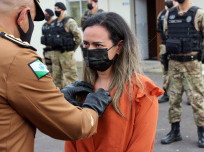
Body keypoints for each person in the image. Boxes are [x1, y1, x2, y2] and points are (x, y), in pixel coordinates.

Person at [0, 0, 112, 151]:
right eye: (32, 18)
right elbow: (72, 126)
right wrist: (92, 108)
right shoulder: (17, 57)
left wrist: (58, 98)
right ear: (23, 16)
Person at [63, 12, 164, 152]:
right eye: (86, 44)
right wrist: (61, 105)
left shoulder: (142, 92)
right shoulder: (79, 91)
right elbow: (70, 142)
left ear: (119, 47)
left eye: (98, 45)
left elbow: (141, 146)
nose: (89, 50)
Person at [161, 0, 204, 148]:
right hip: (174, 64)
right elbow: (167, 33)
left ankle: (202, 133)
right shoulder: (170, 13)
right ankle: (174, 132)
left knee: (197, 100)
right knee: (174, 100)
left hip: (192, 65)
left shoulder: (199, 14)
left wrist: (198, 52)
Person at [50, 2, 81, 89]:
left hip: (67, 54)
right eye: (55, 9)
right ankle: (60, 97)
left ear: (63, 10)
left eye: (58, 9)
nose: (56, 10)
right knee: (56, 78)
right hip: (55, 54)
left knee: (71, 77)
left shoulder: (69, 21)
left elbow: (78, 37)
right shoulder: (54, 22)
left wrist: (73, 48)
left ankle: (75, 97)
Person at [157, 0, 177, 103]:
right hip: (165, 45)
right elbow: (159, 29)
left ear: (175, 0)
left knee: (181, 70)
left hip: (177, 47)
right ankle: (166, 93)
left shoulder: (179, 12)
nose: (167, 0)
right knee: (165, 70)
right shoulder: (162, 14)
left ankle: (189, 95)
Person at [41, 8, 54, 74]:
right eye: (45, 14)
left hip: (54, 51)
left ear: (51, 15)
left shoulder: (55, 25)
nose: (45, 16)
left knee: (56, 71)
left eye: (47, 14)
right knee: (48, 70)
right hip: (47, 50)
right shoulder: (44, 26)